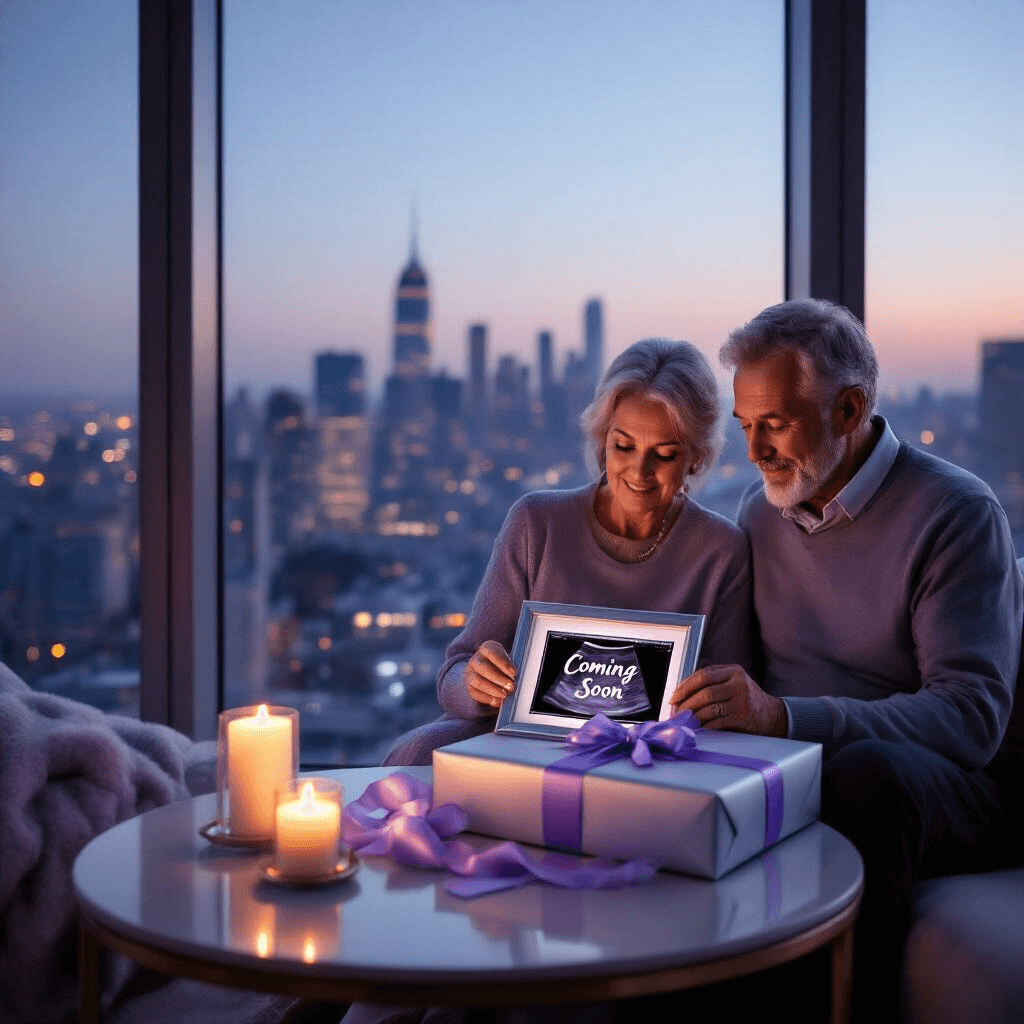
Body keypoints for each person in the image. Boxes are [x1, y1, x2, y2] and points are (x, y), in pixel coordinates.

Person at [671, 298, 1023, 1022]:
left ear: (849, 410)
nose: (755, 450)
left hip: (951, 785)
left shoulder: (956, 513)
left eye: (775, 423)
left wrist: (785, 719)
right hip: (804, 760)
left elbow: (970, 720)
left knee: (866, 780)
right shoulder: (757, 515)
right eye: (745, 426)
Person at [383, 338, 755, 766]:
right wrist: (476, 682)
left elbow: (730, 707)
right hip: (523, 743)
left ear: (696, 458)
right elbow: (454, 671)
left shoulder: (722, 551)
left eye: (665, 455)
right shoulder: (536, 521)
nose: (639, 471)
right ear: (602, 441)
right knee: (413, 754)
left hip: (654, 758)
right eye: (623, 446)